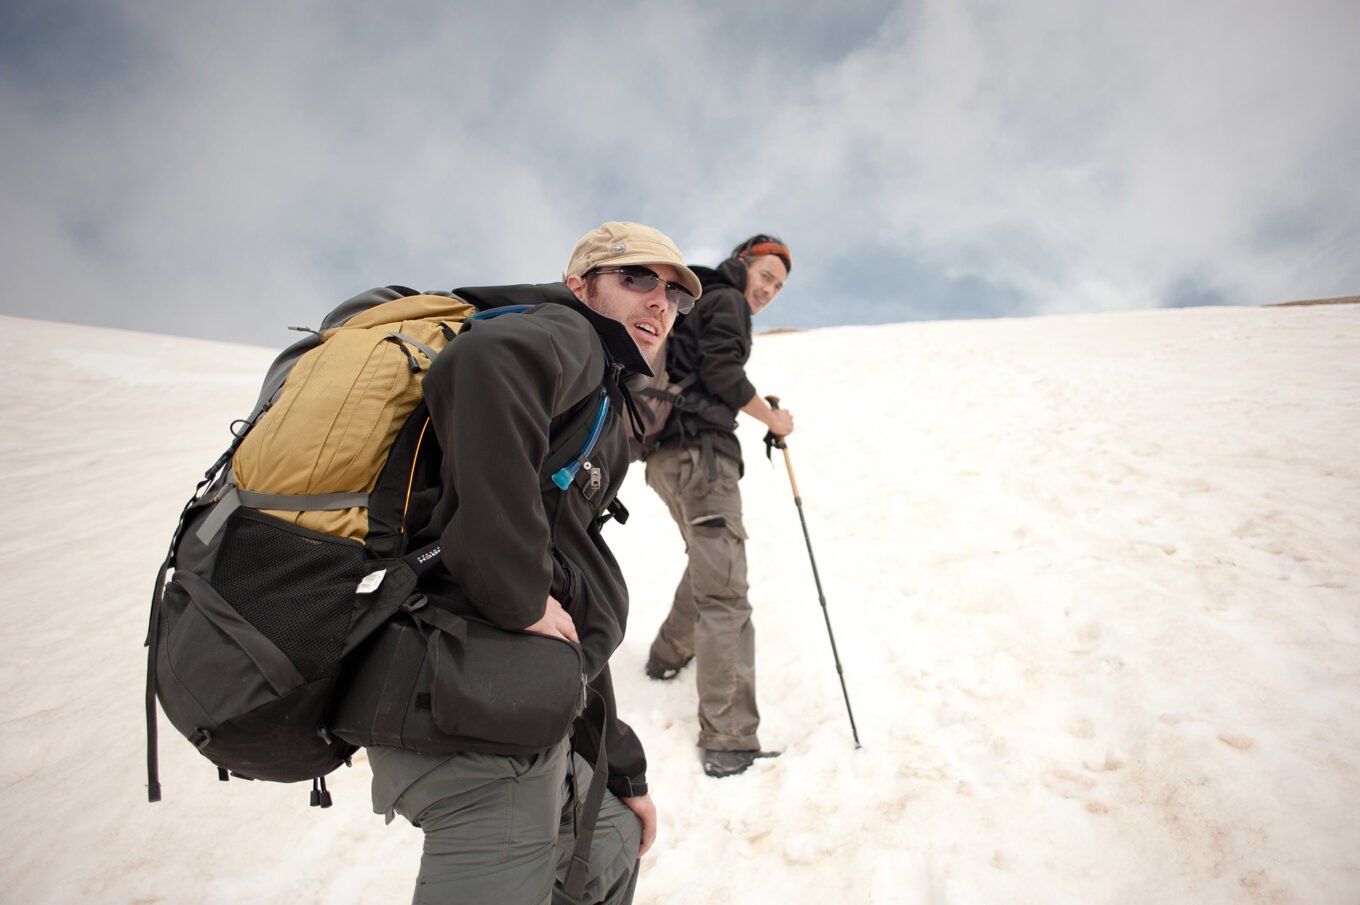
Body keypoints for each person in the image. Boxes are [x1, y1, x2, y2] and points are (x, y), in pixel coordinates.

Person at [366, 222, 701, 904]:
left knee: (608, 840)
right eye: (636, 278)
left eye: (675, 293)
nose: (659, 302)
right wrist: (518, 596)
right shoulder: (567, 335)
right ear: (581, 286)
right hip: (474, 711)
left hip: (514, 703)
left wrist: (625, 773)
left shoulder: (597, 395)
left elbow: (570, 604)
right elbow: (482, 363)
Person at [639, 234, 794, 778]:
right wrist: (772, 420)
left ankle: (666, 655)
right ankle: (729, 740)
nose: (770, 290)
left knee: (708, 563)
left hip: (664, 459)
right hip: (702, 459)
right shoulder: (726, 298)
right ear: (743, 263)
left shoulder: (698, 301)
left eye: (779, 285)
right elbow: (726, 375)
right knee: (725, 592)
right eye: (767, 275)